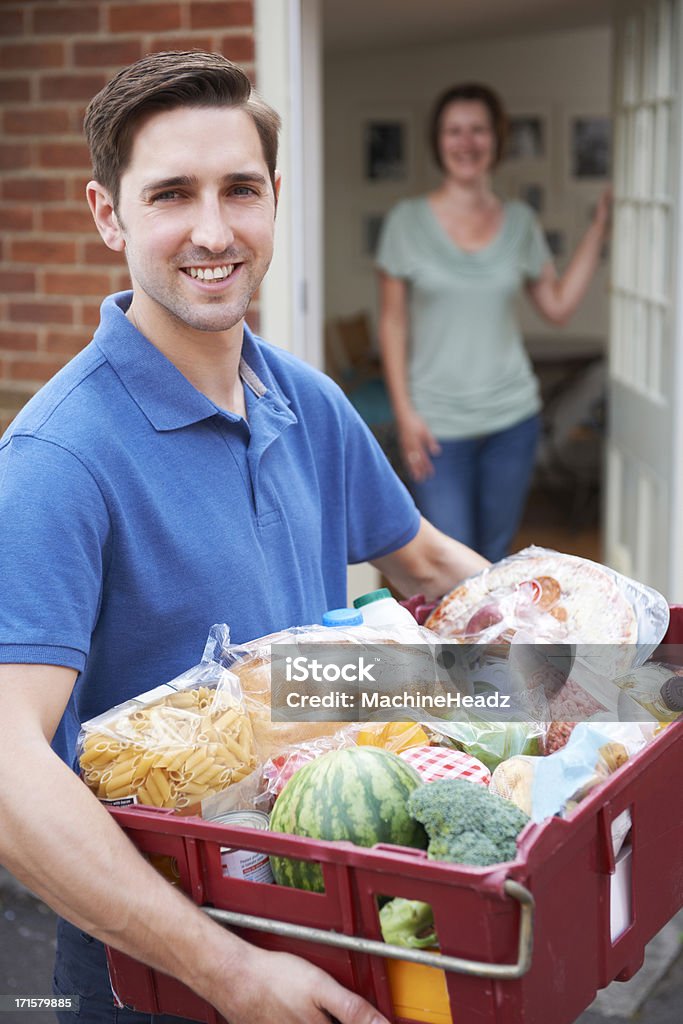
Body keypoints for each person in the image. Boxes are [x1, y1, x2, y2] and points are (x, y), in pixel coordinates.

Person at [0, 52, 488, 1024]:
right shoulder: (55, 460)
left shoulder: (305, 400)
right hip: (156, 964)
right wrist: (228, 974)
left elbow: (430, 565)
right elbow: (8, 768)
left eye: (240, 190)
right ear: (110, 216)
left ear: (273, 201)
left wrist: (613, 697)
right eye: (172, 194)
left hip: (331, 910)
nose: (213, 230)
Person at [376, 82, 611, 563]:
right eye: (454, 131)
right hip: (437, 427)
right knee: (451, 564)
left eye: (478, 130)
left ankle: (491, 644)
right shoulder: (406, 222)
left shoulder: (521, 222)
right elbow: (392, 323)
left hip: (511, 420)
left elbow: (559, 305)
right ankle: (458, 645)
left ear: (496, 138)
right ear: (438, 142)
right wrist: (405, 414)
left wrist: (599, 227)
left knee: (498, 559)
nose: (467, 142)